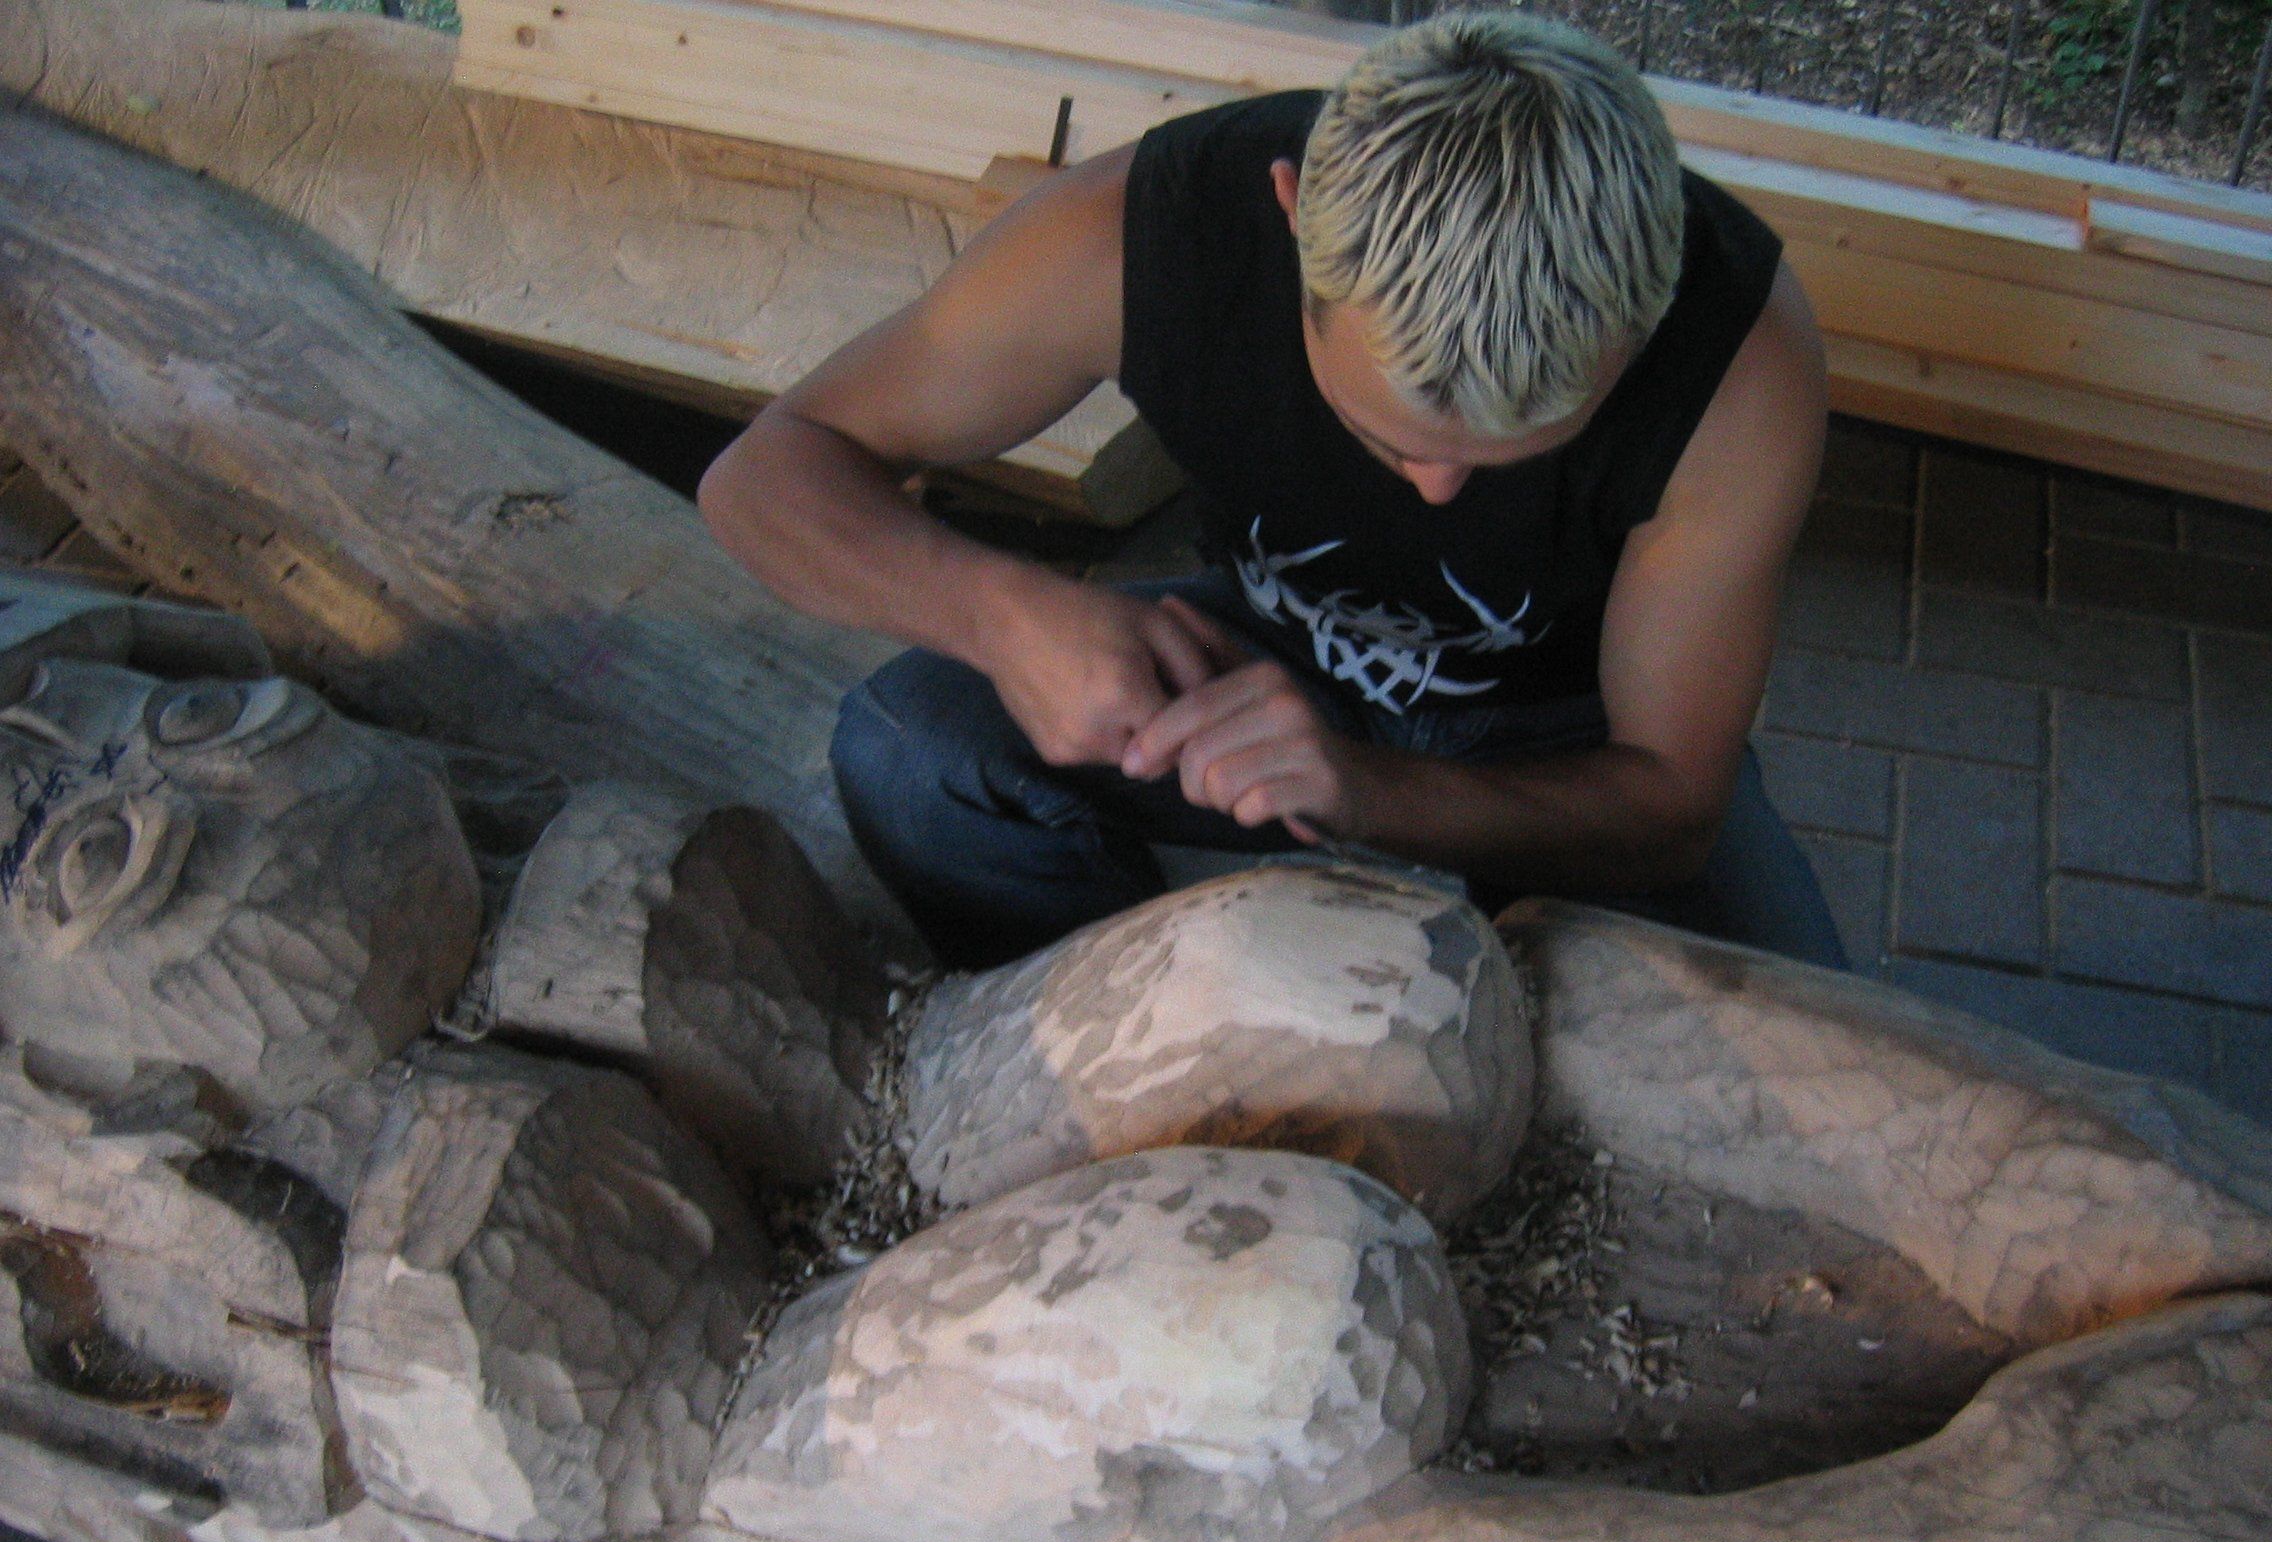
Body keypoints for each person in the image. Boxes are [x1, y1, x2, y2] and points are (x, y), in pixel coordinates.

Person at [698, 9, 1845, 974]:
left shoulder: (1737, 358)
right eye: (1385, 435)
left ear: (1647, 315)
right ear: (1292, 215)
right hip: (1258, 655)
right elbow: (765, 474)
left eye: (1508, 455)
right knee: (913, 750)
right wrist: (1003, 616)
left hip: (1565, 733)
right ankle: (1124, 1024)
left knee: (1798, 1050)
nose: (1437, 491)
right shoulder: (1137, 237)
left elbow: (1668, 805)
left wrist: (1368, 792)